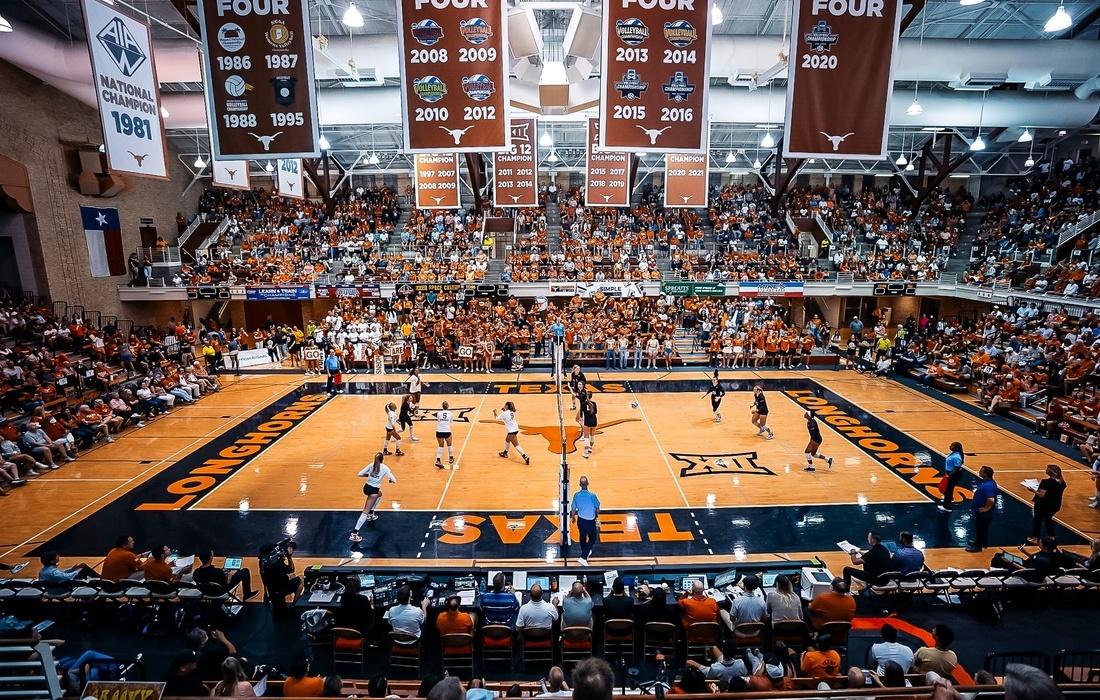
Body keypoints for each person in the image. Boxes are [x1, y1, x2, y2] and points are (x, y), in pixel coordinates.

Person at [351, 452, 397, 540]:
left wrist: (369, 475)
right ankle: (354, 533)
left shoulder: (371, 465)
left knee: (380, 494)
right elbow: (394, 480)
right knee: (365, 511)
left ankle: (371, 514)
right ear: (382, 459)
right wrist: (390, 481)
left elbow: (359, 474)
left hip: (366, 488)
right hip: (373, 491)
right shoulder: (385, 468)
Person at [1027, 464, 1066, 544]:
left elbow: (1041, 495)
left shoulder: (1046, 482)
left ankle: (1035, 538)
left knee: (1038, 521)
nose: (1046, 469)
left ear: (1050, 472)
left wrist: (1033, 490)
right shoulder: (1062, 483)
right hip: (1055, 505)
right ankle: (1052, 537)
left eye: (1047, 469)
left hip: (1043, 505)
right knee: (1048, 520)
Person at [686, 639, 753, 685]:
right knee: (714, 648)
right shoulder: (741, 663)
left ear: (723, 650)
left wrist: (696, 664)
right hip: (726, 665)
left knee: (689, 662)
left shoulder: (715, 667)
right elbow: (745, 674)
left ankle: (707, 657)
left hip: (717, 675)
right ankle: (708, 651)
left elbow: (708, 675)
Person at [966, 466, 998, 552]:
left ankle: (977, 547)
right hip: (983, 511)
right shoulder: (988, 482)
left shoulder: (988, 485)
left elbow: (991, 499)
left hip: (984, 513)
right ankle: (981, 543)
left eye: (981, 471)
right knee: (981, 528)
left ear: (985, 474)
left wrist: (985, 509)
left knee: (981, 529)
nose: (979, 472)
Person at [571, 475, 600, 566]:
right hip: (590, 521)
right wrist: (596, 515)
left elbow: (573, 508)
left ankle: (586, 553)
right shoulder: (592, 495)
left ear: (579, 484)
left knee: (582, 537)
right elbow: (597, 507)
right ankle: (583, 557)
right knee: (593, 538)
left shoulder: (576, 495)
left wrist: (573, 517)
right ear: (588, 484)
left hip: (581, 520)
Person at [937, 442, 965, 513]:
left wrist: (950, 475)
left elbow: (957, 468)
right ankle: (950, 498)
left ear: (956, 448)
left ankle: (947, 507)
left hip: (953, 474)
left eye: (952, 446)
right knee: (949, 488)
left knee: (948, 490)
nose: (950, 446)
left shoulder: (957, 456)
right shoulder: (954, 453)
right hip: (950, 473)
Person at [435, 400, 455, 469]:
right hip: (447, 431)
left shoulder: (438, 413)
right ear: (448, 406)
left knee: (440, 446)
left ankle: (438, 460)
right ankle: (451, 458)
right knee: (449, 445)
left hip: (439, 431)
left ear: (442, 406)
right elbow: (450, 422)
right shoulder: (451, 413)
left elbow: (439, 421)